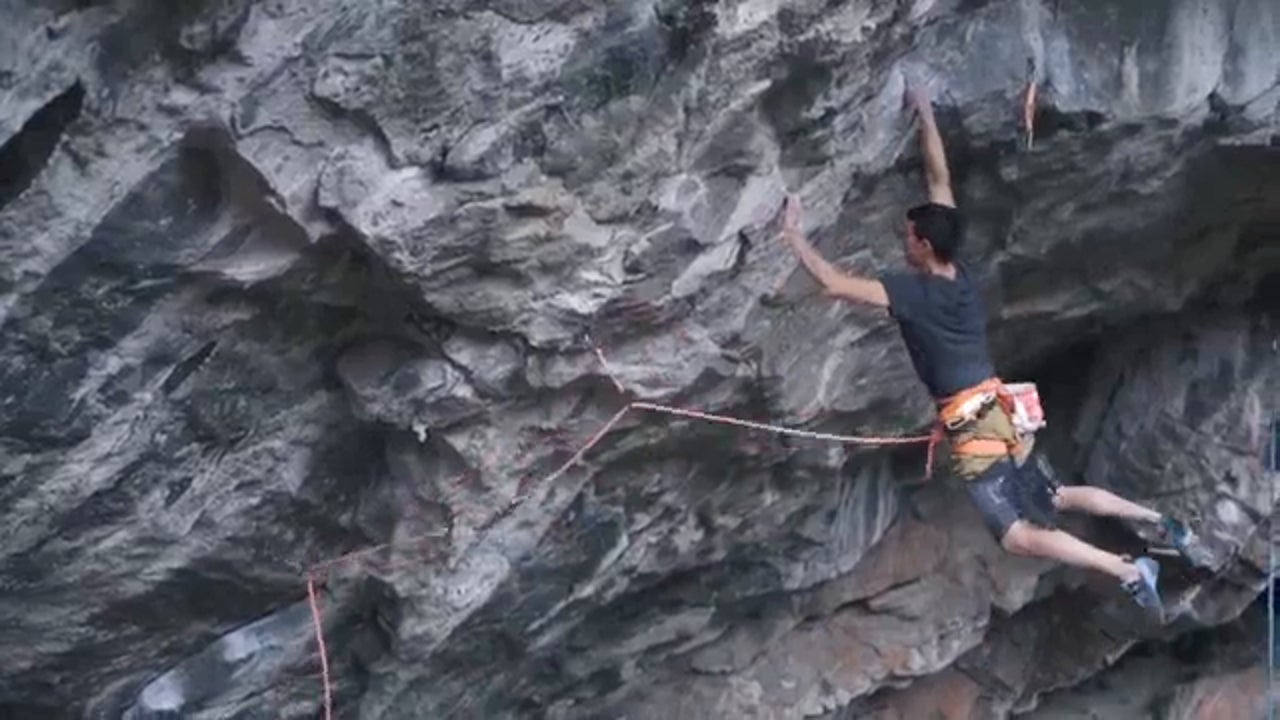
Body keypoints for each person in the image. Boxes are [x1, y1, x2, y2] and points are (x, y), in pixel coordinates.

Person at [777, 80, 1200, 612]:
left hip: (977, 425)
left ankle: (1127, 568)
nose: (902, 238)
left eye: (908, 235)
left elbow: (835, 283)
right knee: (1055, 497)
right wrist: (925, 110)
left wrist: (793, 236)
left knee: (1017, 536)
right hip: (999, 410)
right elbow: (939, 177)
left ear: (924, 246)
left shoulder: (913, 293)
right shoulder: (960, 274)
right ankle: (1157, 523)